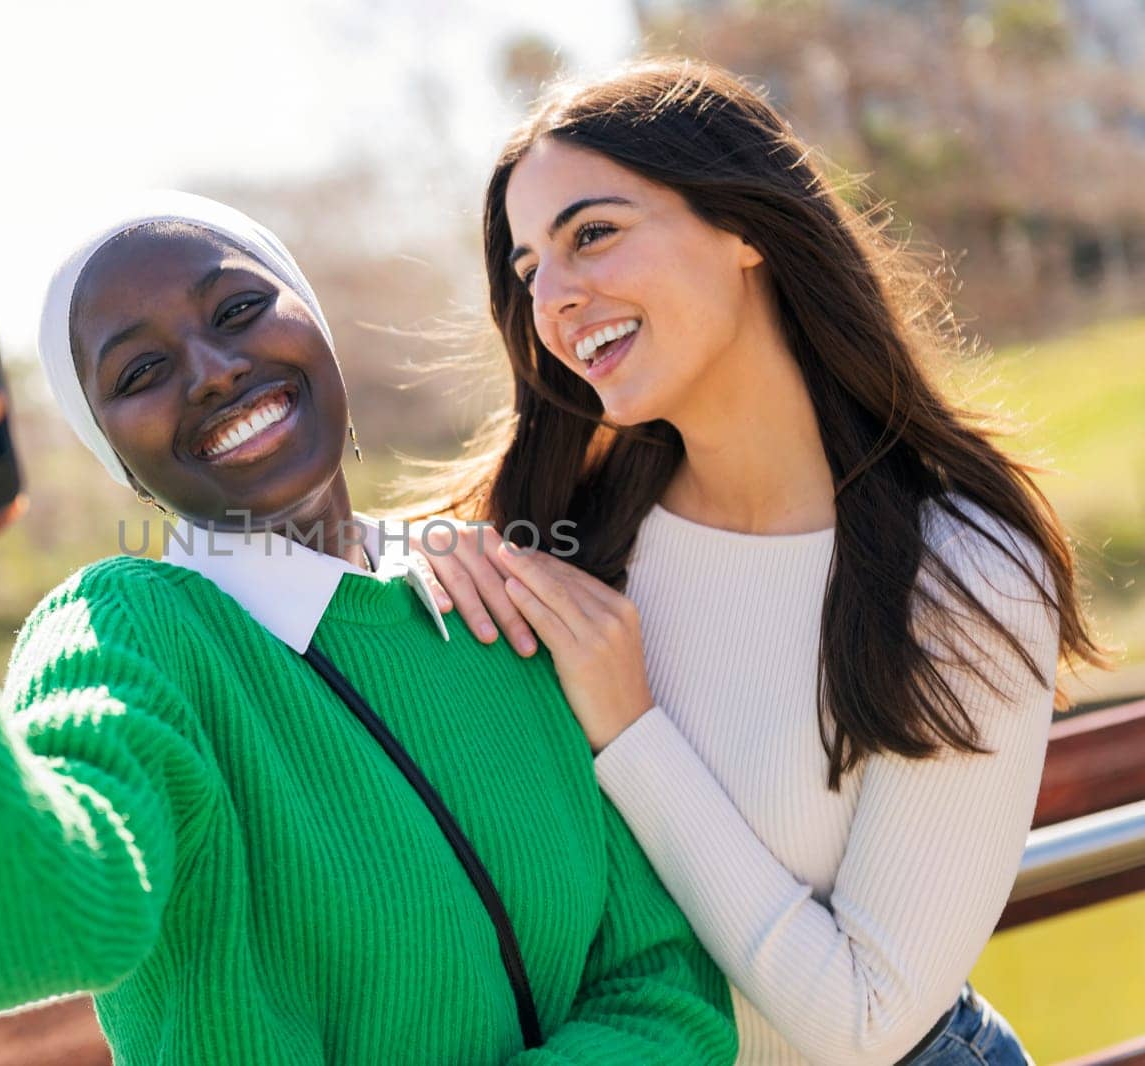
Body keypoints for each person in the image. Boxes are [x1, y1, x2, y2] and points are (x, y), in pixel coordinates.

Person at [0, 191, 736, 1064]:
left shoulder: (490, 597)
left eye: (237, 309)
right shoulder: (132, 634)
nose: (213, 369)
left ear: (315, 327)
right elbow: (44, 929)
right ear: (118, 462)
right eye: (137, 372)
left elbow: (665, 992)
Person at [412, 59, 1107, 1066]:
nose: (552, 299)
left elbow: (863, 1022)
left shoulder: (961, 572)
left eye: (592, 234)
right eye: (527, 272)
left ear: (745, 227)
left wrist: (631, 728)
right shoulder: (566, 538)